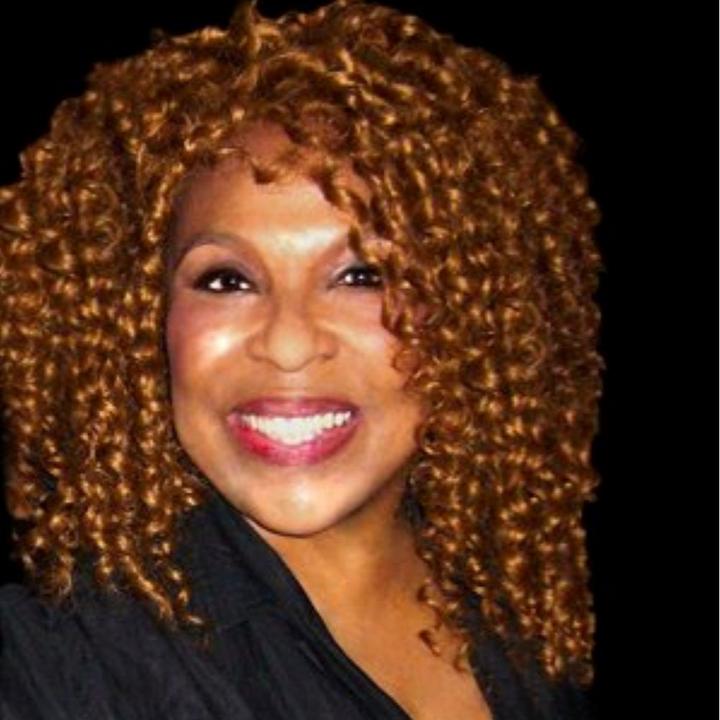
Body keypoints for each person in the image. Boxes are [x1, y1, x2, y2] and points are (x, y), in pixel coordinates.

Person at [0, 1, 604, 718]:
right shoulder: (60, 670)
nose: (287, 344)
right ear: (141, 321)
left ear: (475, 314)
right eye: (226, 280)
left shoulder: (532, 613)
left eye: (362, 276)